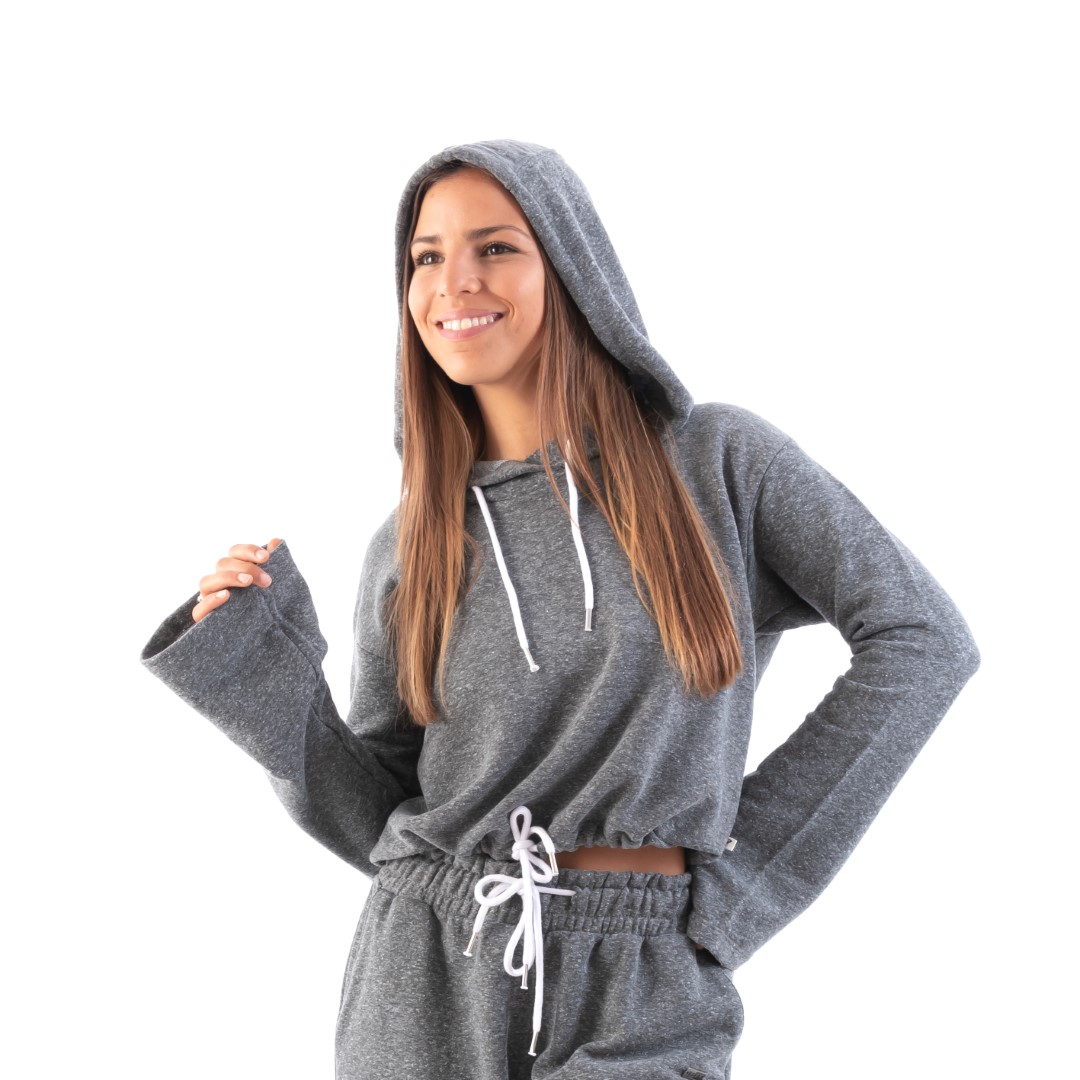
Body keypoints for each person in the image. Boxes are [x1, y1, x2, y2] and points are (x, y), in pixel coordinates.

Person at [140, 139, 980, 1079]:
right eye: (426, 257)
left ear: (572, 266)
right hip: (423, 977)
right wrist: (267, 688)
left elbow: (923, 642)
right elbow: (376, 815)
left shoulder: (716, 465)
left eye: (496, 246)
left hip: (644, 976)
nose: (454, 282)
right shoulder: (413, 539)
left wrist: (748, 877)